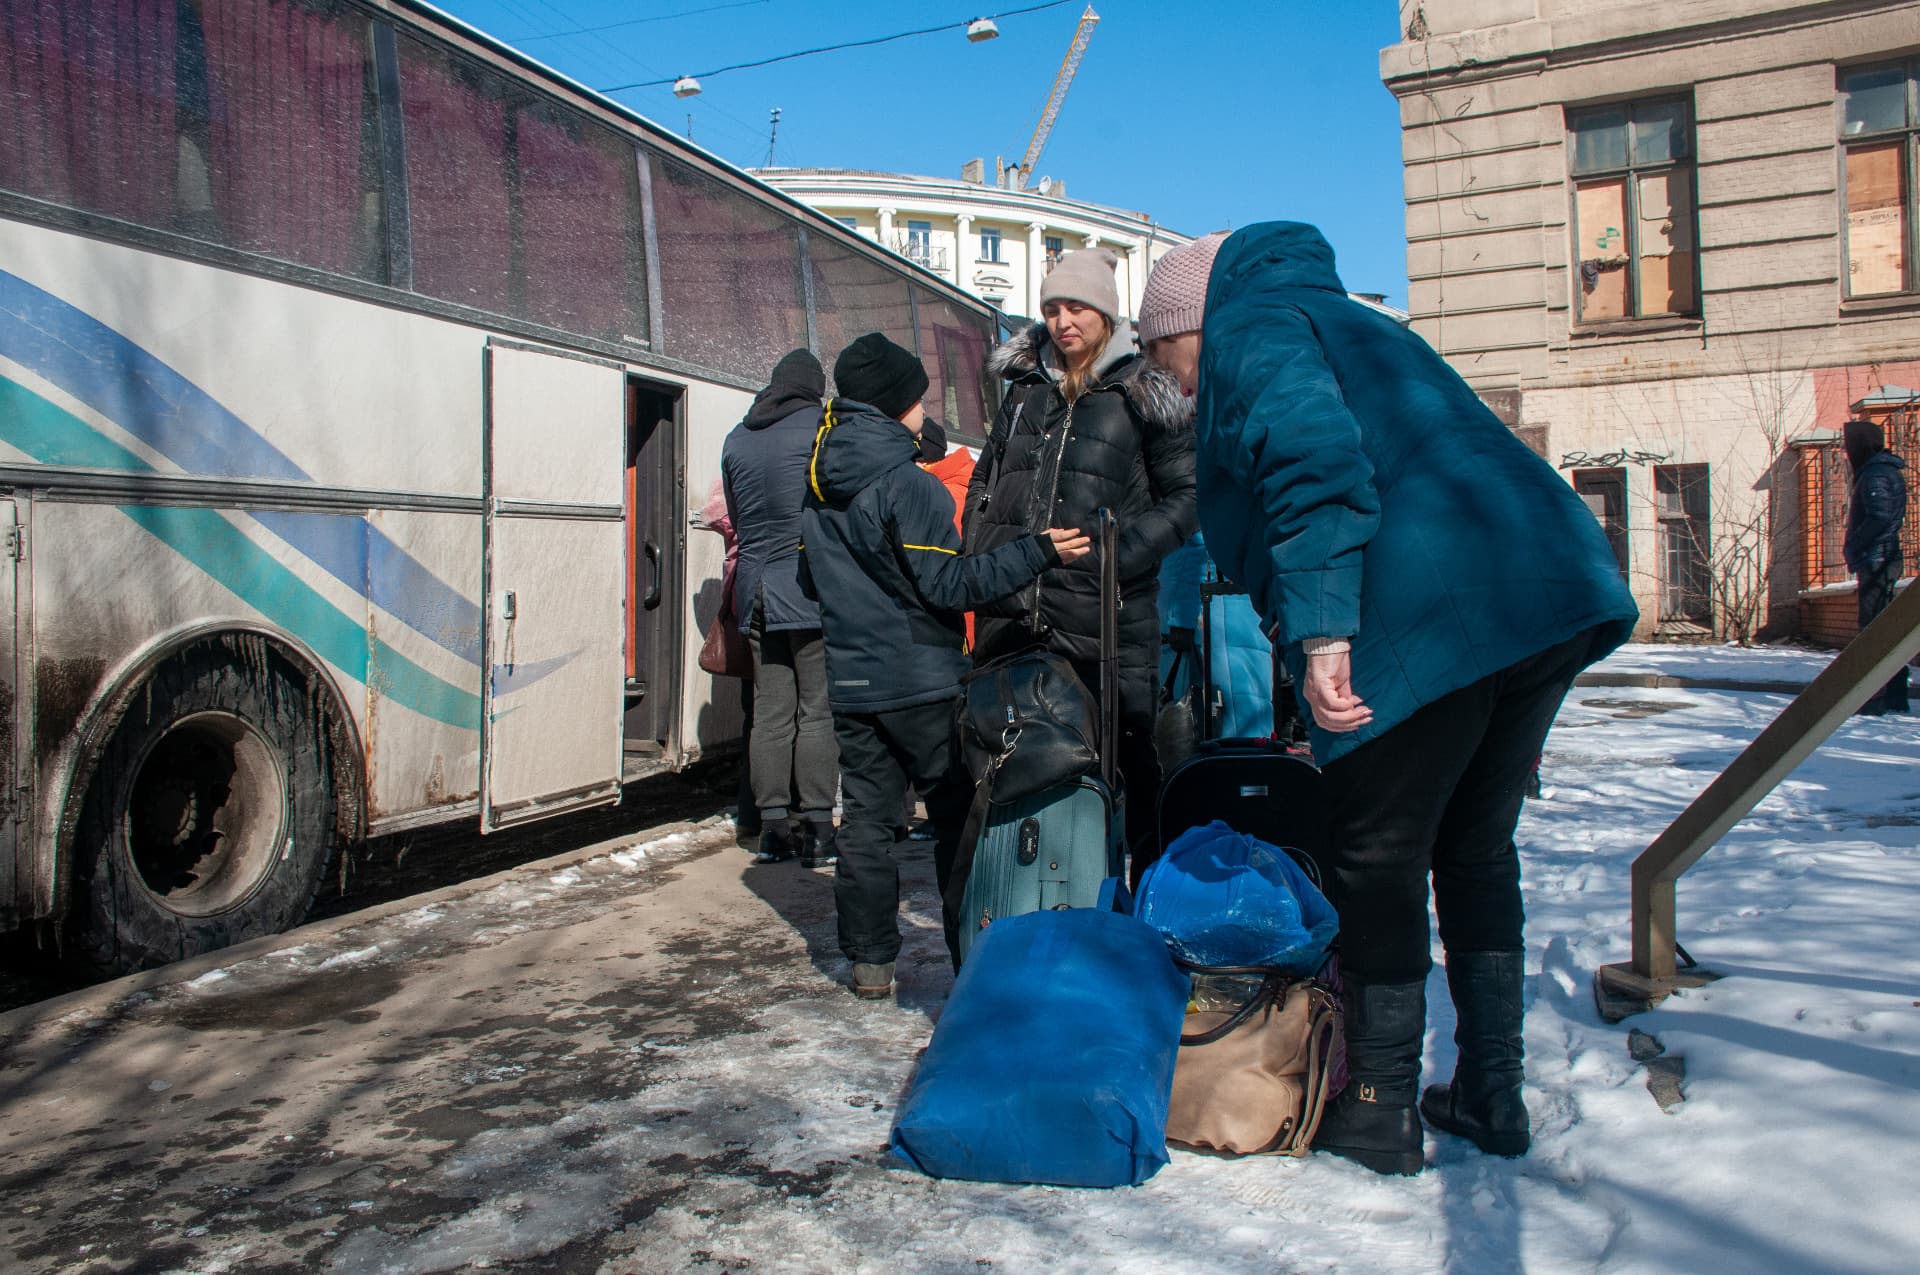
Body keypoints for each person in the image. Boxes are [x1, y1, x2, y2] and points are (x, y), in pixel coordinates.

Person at [1139, 222, 1638, 1175]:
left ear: (1187, 322)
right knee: (1476, 846)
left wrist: (1324, 633)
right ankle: (1492, 1091)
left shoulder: (1251, 325)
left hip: (1430, 604)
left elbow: (1310, 462)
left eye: (1169, 358)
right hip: (1544, 590)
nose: (1185, 387)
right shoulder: (1368, 327)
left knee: (1378, 852)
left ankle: (1379, 1103)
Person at [801, 332, 1090, 999]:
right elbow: (951, 587)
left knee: (868, 826)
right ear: (897, 403)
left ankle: (871, 965)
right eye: (917, 398)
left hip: (851, 681)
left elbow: (807, 576)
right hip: (924, 682)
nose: (923, 411)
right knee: (959, 825)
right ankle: (971, 965)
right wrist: (1038, 552)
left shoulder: (818, 486)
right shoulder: (911, 485)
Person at [966, 248, 1197, 884]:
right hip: (1015, 610)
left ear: (1105, 312)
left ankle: (1146, 901)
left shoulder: (1142, 387)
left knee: (1128, 760)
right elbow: (987, 478)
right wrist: (982, 548)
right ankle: (1049, 894)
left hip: (1107, 613)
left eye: (1077, 307)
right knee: (1027, 761)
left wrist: (1116, 559)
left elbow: (1189, 497)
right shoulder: (1023, 391)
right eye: (1051, 308)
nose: (1063, 321)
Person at [722, 350, 839, 867]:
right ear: (813, 389)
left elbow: (736, 516)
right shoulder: (819, 426)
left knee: (769, 713)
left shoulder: (736, 437)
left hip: (754, 590)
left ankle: (772, 829)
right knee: (817, 710)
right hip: (808, 588)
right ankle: (818, 826)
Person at [1843, 418, 1909, 715]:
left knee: (1872, 633)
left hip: (1876, 558)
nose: (1847, 451)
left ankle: (1876, 698)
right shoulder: (1882, 471)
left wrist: (1855, 544)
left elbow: (1880, 517)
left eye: (1850, 444)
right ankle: (1893, 695)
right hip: (1882, 557)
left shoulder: (1874, 474)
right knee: (1884, 631)